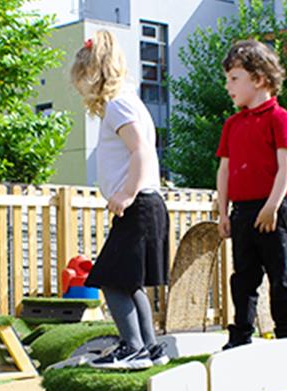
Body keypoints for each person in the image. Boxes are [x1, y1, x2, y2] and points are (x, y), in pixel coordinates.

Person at [71, 30, 169, 370]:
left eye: (81, 78)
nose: (80, 87)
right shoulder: (131, 102)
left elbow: (140, 150)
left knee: (109, 280)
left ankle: (133, 348)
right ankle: (151, 347)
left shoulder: (117, 105)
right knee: (130, 282)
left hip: (138, 203)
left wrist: (126, 193)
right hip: (148, 204)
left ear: (94, 73)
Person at [216, 39, 287, 349]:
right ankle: (240, 337)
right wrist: (224, 213)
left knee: (281, 278)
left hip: (273, 211)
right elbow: (224, 171)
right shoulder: (232, 125)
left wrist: (272, 206)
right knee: (243, 278)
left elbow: (285, 167)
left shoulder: (280, 119)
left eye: (234, 79)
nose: (228, 86)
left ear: (259, 78)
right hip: (241, 213)